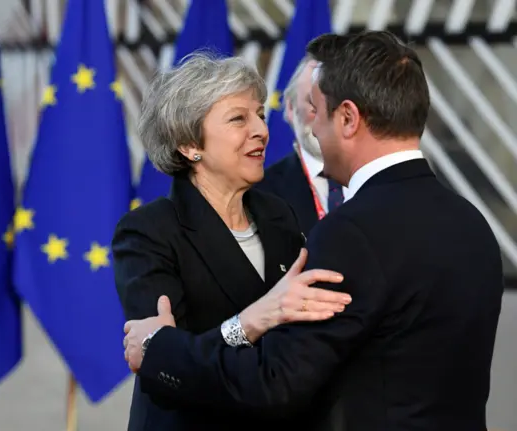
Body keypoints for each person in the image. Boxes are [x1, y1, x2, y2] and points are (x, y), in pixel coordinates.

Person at [122, 31, 505, 430]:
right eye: (239, 118)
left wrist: (160, 348)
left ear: (349, 118)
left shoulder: (349, 233)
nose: (311, 131)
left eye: (316, 111)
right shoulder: (472, 225)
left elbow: (276, 383)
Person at [112, 53, 352, 431]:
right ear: (190, 144)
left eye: (259, 114)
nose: (261, 129)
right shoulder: (147, 232)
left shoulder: (279, 215)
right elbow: (164, 366)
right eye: (240, 118)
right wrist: (256, 318)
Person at [256, 34, 351, 235]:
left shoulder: (384, 183)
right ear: (290, 108)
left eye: (334, 103)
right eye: (313, 103)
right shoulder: (258, 194)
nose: (324, 117)